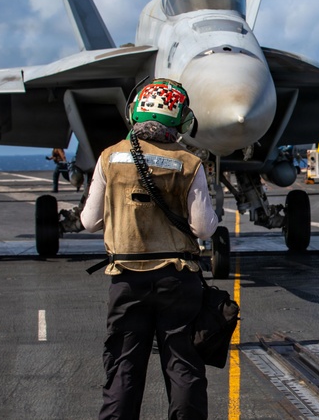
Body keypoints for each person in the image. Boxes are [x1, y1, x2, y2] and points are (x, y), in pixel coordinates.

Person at [79, 79, 220, 420]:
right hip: (178, 280)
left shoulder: (109, 157)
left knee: (123, 367)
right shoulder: (190, 163)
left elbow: (89, 221)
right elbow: (203, 228)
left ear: (134, 112)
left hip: (126, 281)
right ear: (182, 121)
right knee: (183, 366)